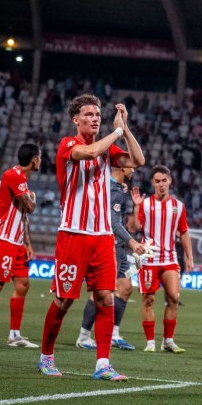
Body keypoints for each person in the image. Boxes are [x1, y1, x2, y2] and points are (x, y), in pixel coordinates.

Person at [37, 95, 145, 381]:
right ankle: (46, 357)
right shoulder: (68, 144)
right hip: (74, 234)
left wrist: (125, 129)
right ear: (76, 120)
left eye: (98, 114)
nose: (95, 118)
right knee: (64, 300)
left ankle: (103, 364)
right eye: (89, 114)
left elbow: (138, 160)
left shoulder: (109, 150)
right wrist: (117, 131)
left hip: (102, 237)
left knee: (105, 298)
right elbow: (89, 152)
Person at [76, 166, 151, 351]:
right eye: (130, 166)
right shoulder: (113, 190)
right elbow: (114, 223)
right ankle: (84, 336)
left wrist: (135, 205)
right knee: (102, 292)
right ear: (121, 167)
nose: (133, 169)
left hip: (118, 247)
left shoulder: (118, 188)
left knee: (125, 288)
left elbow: (129, 225)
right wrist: (133, 243)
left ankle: (114, 335)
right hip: (108, 245)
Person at [0, 144, 42, 348]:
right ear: (34, 160)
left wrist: (28, 243)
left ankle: (14, 335)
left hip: (17, 242)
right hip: (4, 240)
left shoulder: (23, 181)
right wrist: (33, 198)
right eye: (39, 157)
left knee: (23, 285)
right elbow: (29, 207)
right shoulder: (13, 175)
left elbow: (23, 217)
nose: (40, 161)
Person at [136, 165, 193, 353]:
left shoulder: (178, 206)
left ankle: (168, 341)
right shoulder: (144, 204)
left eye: (164, 180)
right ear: (152, 183)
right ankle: (150, 343)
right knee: (148, 299)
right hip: (148, 259)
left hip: (169, 258)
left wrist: (189, 257)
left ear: (170, 181)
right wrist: (136, 207)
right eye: (157, 181)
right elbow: (134, 227)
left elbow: (184, 232)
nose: (161, 184)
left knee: (174, 297)